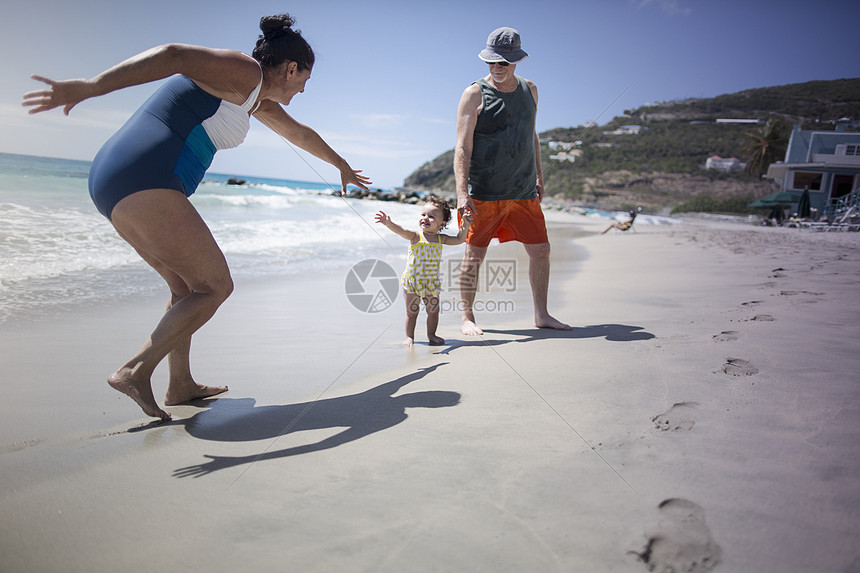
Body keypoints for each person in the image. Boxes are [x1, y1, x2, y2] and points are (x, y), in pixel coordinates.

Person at [22, 14, 371, 421]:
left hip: (119, 180)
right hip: (144, 176)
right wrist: (93, 86)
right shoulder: (244, 70)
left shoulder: (253, 96)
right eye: (303, 81)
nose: (302, 90)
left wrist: (341, 164)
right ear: (291, 68)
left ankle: (180, 384)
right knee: (215, 286)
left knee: (188, 287)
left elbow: (300, 134)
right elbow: (175, 54)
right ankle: (134, 370)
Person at [454, 26, 570, 336]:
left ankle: (542, 314)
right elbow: (462, 147)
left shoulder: (530, 90)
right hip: (484, 191)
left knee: (541, 250)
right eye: (492, 62)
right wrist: (462, 193)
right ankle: (467, 317)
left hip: (522, 190)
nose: (497, 68)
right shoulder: (474, 94)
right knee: (474, 254)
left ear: (516, 61)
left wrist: (539, 176)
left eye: (503, 62)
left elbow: (532, 136)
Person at [375, 198, 472, 347]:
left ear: (442, 224)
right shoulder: (415, 236)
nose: (425, 218)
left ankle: (431, 335)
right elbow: (401, 230)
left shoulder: (441, 239)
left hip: (430, 283)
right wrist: (389, 223)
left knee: (433, 311)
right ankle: (409, 336)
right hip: (412, 282)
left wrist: (466, 223)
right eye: (423, 214)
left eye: (431, 216)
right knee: (412, 312)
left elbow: (460, 239)